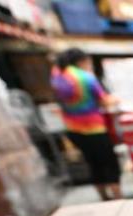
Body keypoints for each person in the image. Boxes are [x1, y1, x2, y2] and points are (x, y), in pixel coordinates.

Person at [51, 48, 122, 200]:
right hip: (94, 128)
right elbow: (103, 101)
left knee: (93, 163)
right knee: (109, 163)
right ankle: (118, 197)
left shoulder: (58, 75)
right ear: (81, 61)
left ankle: (103, 197)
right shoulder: (85, 77)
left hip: (72, 129)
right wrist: (115, 99)